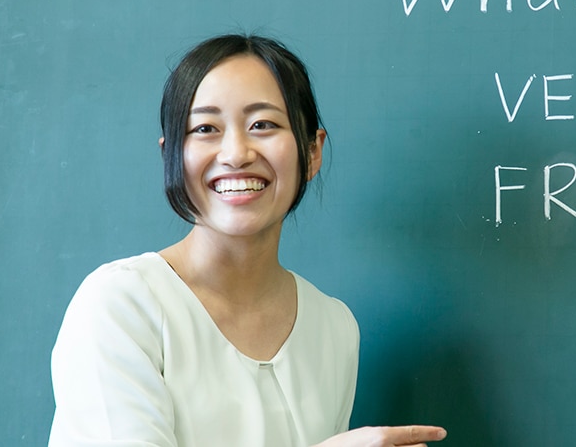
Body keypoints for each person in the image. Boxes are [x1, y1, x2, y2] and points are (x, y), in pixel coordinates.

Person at [48, 34, 447, 447]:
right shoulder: (122, 304)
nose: (236, 153)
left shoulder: (334, 327)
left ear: (312, 152)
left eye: (263, 125)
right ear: (171, 156)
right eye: (205, 128)